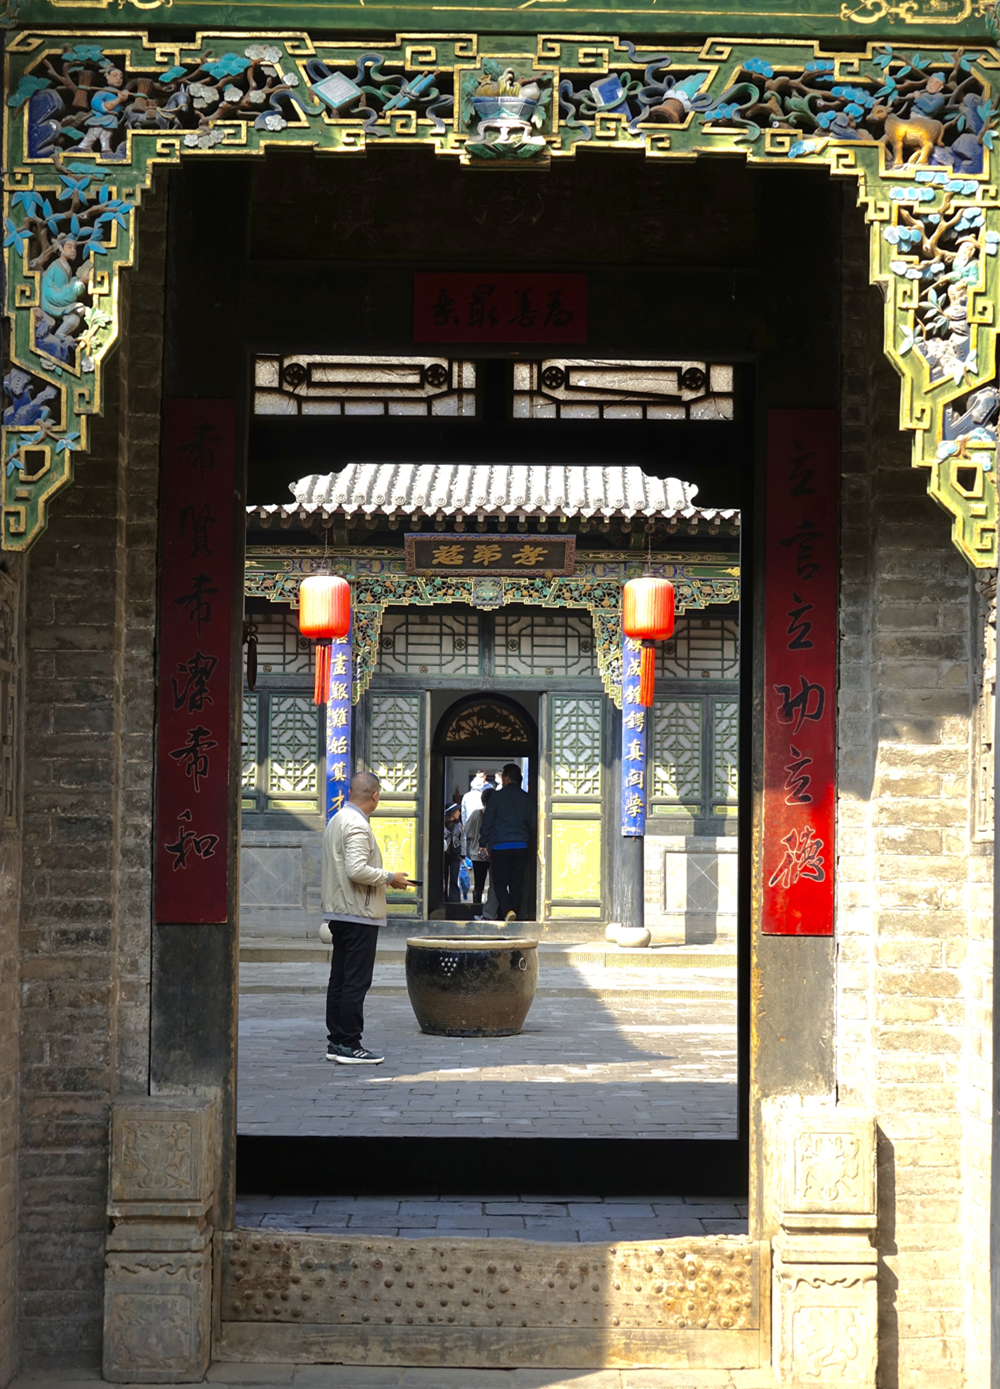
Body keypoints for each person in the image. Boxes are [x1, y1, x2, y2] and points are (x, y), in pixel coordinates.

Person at [322, 770, 411, 1065]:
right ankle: (350, 1043)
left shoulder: (337, 819)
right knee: (355, 981)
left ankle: (337, 1041)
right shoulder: (357, 824)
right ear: (375, 795)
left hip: (342, 910)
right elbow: (356, 869)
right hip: (358, 912)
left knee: (340, 978)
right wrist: (390, 877)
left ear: (350, 792)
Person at [479, 762, 535, 923]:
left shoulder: (497, 797)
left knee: (499, 883)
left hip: (500, 847)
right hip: (521, 847)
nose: (502, 780)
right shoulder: (527, 799)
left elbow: (488, 821)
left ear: (508, 778)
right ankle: (514, 915)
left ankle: (508, 910)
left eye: (503, 777)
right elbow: (533, 825)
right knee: (517, 883)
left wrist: (483, 842)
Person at [464, 783, 492, 907]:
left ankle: (476, 907)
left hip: (477, 853)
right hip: (494, 853)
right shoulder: (499, 814)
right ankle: (492, 907)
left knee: (478, 884)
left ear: (483, 801)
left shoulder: (477, 813)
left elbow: (468, 832)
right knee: (495, 883)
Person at [443, 802, 464, 904]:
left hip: (455, 854)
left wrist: (463, 855)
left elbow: (462, 839)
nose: (459, 813)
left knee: (454, 878)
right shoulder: (443, 824)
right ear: (452, 812)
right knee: (444, 877)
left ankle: (454, 900)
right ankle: (443, 898)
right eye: (457, 811)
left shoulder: (459, 825)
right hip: (444, 854)